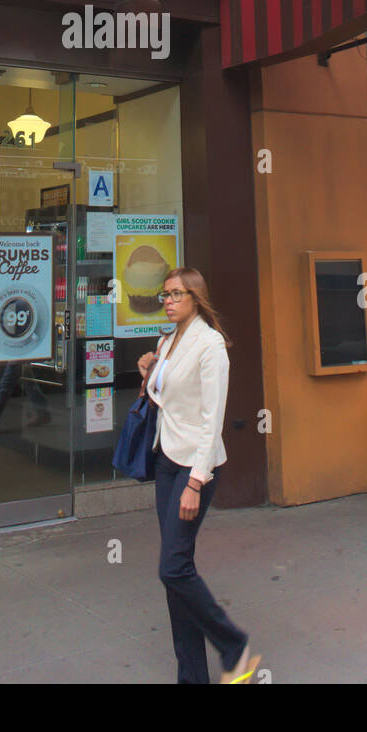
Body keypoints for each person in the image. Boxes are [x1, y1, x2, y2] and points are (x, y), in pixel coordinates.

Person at [137, 267, 260, 685]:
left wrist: (195, 481)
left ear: (196, 297)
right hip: (165, 461)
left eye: (176, 294)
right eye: (164, 294)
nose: (168, 301)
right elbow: (165, 399)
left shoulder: (211, 346)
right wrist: (149, 372)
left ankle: (233, 646)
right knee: (178, 570)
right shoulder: (167, 340)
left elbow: (212, 422)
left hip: (195, 467)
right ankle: (192, 678)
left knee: (172, 568)